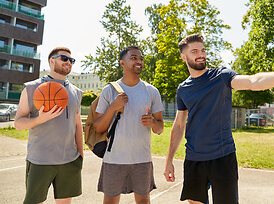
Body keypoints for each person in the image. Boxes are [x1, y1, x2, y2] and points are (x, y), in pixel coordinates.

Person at [163, 34, 274, 204]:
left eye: (203, 50)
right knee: (194, 202)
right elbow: (178, 125)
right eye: (194, 51)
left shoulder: (221, 76)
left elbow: (253, 81)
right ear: (183, 56)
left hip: (222, 157)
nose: (201, 54)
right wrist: (169, 161)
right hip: (193, 157)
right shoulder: (183, 89)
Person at [94, 46, 164, 204]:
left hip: (142, 159)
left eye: (141, 59)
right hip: (114, 159)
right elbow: (98, 128)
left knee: (143, 201)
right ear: (122, 63)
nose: (139, 61)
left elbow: (160, 129)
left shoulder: (152, 91)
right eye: (133, 58)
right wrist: (113, 107)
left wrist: (153, 122)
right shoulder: (109, 91)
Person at [14, 47, 84, 204]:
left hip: (69, 160)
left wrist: (80, 154)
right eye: (64, 59)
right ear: (52, 61)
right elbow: (18, 123)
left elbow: (78, 125)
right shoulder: (32, 88)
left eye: (71, 60)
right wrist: (40, 119)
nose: (69, 63)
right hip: (40, 160)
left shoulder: (76, 92)